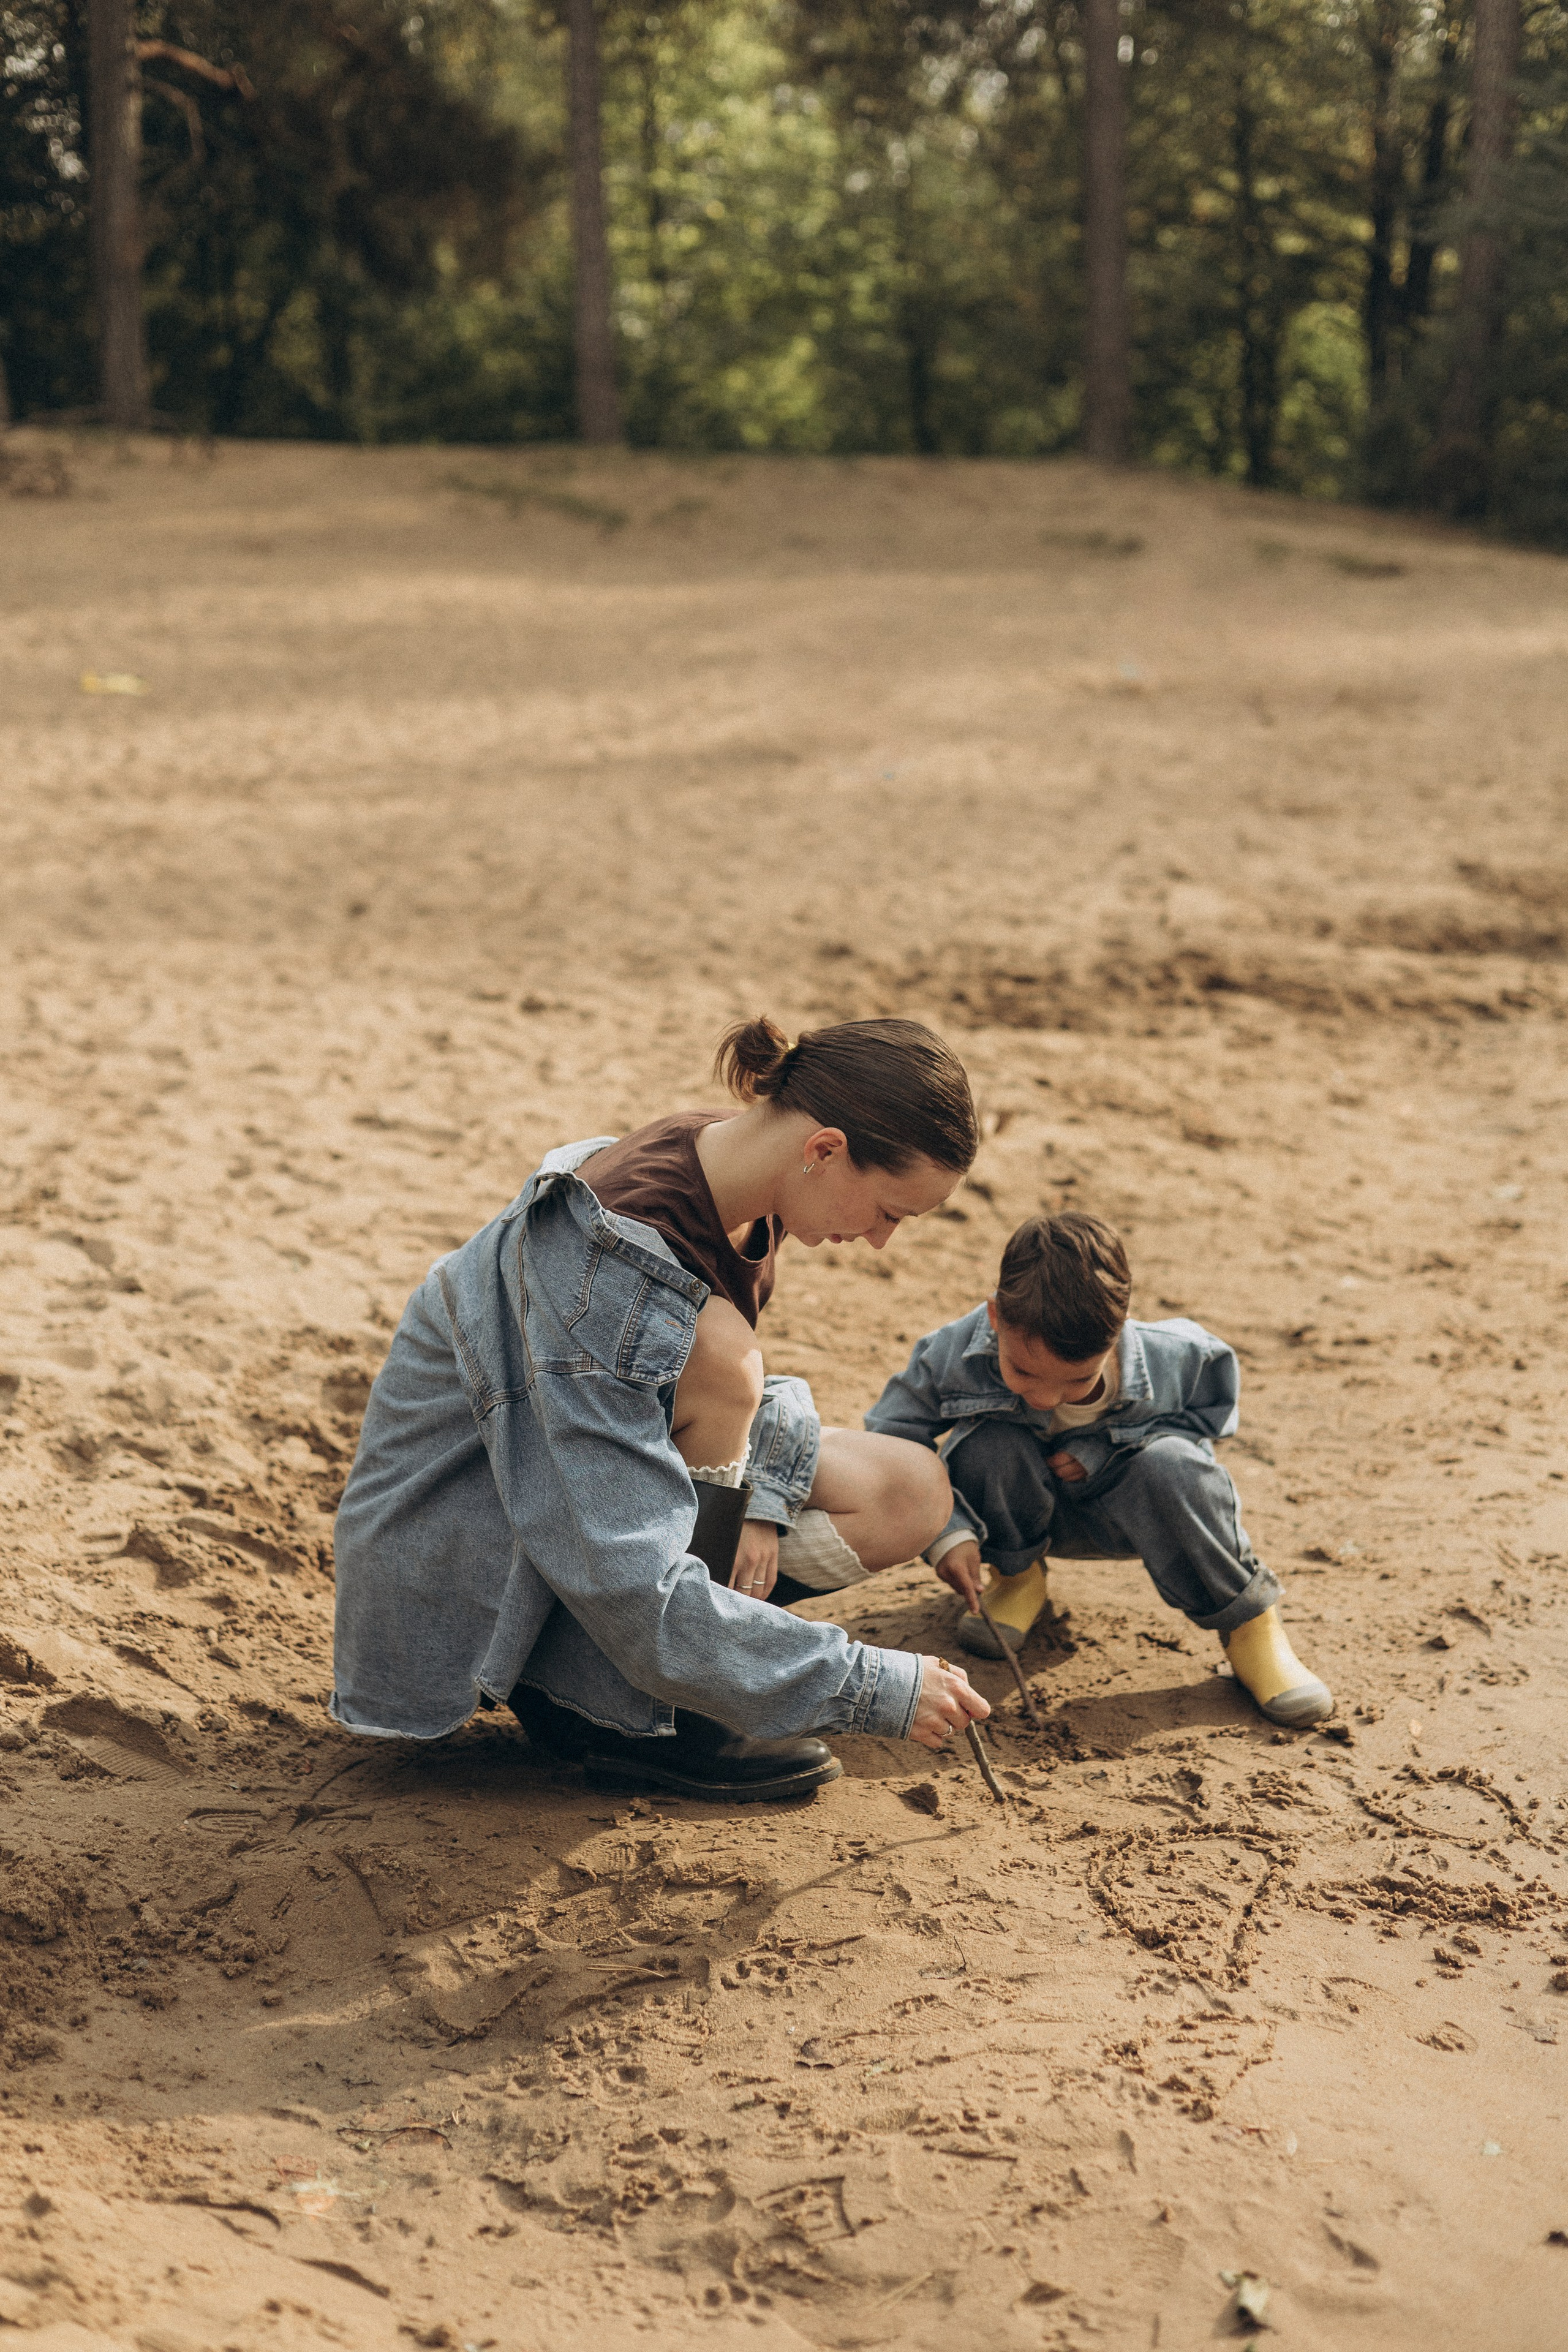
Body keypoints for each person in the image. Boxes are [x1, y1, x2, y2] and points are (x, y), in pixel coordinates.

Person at [331, 1015, 992, 1801]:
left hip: (576, 1474)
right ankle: (632, 1714)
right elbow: (627, 1575)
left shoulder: (737, 1164)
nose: (881, 1240)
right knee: (727, 1363)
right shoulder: (606, 1271)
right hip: (472, 1550)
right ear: (824, 1150)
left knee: (908, 1490)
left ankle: (681, 1669)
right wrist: (872, 1684)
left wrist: (762, 1508)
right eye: (889, 1211)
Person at [865, 1211, 1333, 1728]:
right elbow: (891, 1436)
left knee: (1175, 1465)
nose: (1044, 1398)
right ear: (997, 1317)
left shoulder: (1180, 1357)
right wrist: (948, 1533)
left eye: (1077, 1381)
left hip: (1133, 1515)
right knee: (989, 1444)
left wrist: (1103, 1450)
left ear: (1118, 1335)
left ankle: (1252, 1627)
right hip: (1015, 1520)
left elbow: (1206, 1423)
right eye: (1021, 1370)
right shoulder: (950, 1354)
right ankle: (1019, 1581)